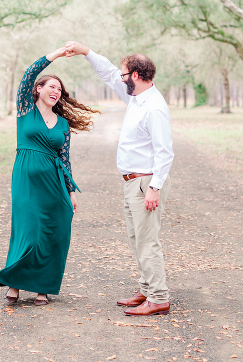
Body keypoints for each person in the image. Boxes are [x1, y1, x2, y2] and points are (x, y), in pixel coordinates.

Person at [64, 41, 174, 316]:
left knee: (148, 241)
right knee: (136, 238)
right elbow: (109, 73)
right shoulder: (136, 97)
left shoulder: (154, 108)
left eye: (125, 74)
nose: (120, 78)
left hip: (145, 182)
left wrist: (154, 188)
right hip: (131, 182)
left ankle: (159, 297)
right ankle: (147, 288)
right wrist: (85, 52)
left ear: (136, 75)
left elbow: (165, 152)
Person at [0, 47, 100, 306]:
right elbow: (28, 74)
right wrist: (57, 54)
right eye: (51, 86)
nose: (56, 92)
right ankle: (15, 283)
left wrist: (70, 192)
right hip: (26, 182)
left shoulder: (62, 125)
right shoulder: (25, 109)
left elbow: (64, 159)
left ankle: (43, 288)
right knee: (27, 230)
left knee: (53, 233)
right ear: (38, 89)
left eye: (59, 90)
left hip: (54, 184)